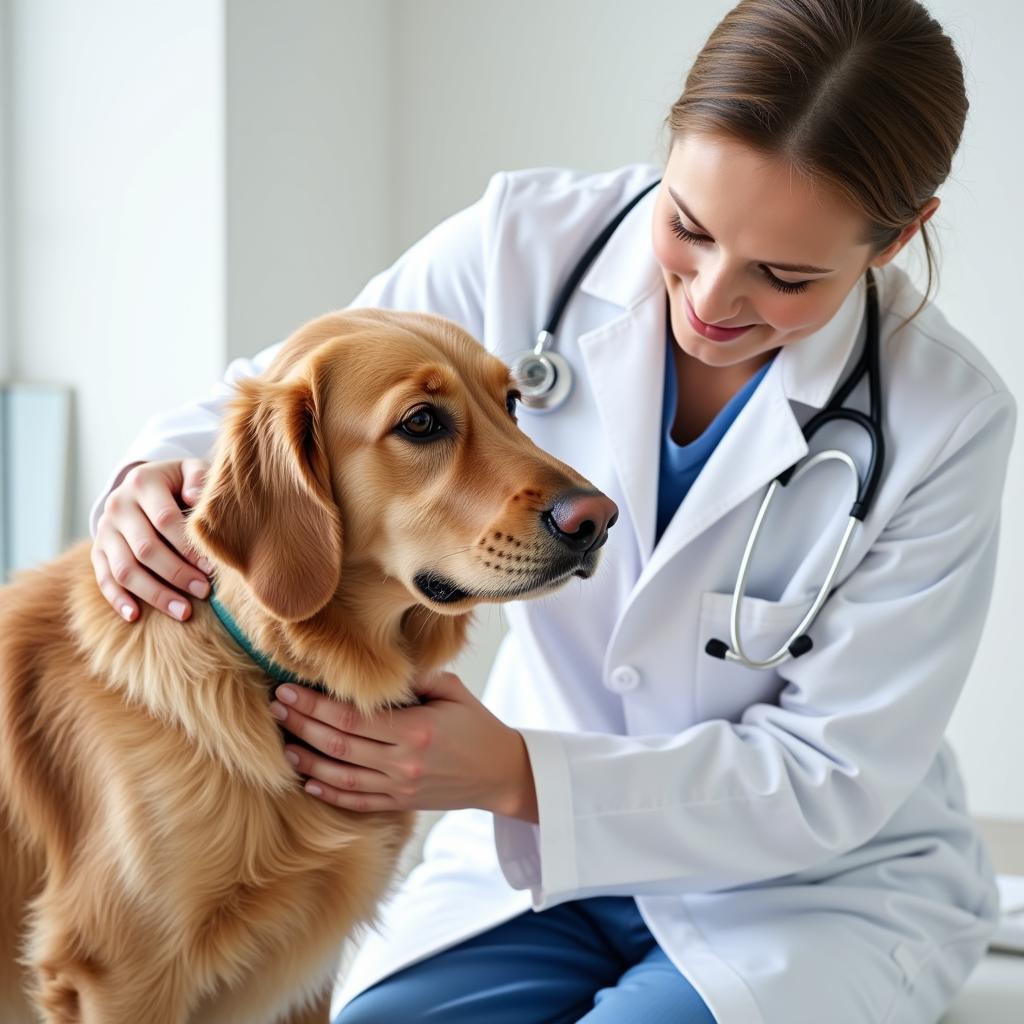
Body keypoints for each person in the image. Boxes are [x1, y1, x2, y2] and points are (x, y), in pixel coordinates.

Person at [89, 0, 1016, 1021]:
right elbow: (290, 390)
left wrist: (523, 776)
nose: (710, 297)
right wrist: (148, 477)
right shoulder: (528, 242)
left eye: (785, 275)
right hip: (531, 873)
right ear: (668, 148)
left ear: (900, 234)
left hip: (803, 892)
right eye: (689, 226)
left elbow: (828, 774)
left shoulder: (944, 421)